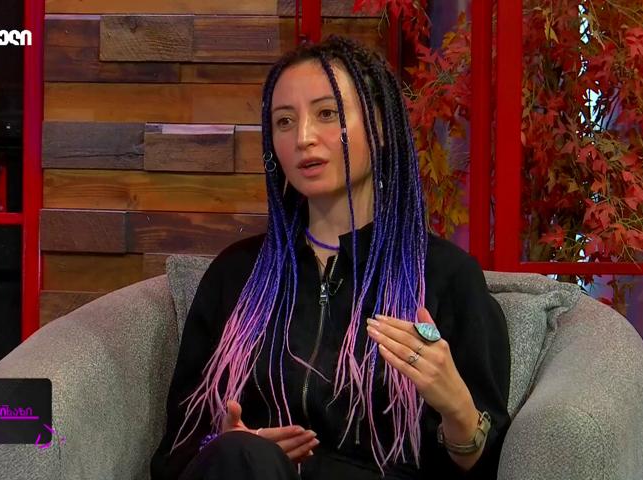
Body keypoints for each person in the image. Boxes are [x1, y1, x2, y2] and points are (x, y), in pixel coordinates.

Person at [150, 35, 510, 480]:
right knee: (240, 456)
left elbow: (487, 466)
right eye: (284, 122)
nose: (303, 138)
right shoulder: (237, 275)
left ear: (379, 128)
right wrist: (224, 445)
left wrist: (457, 407)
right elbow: (174, 454)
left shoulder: (444, 276)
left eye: (327, 113)